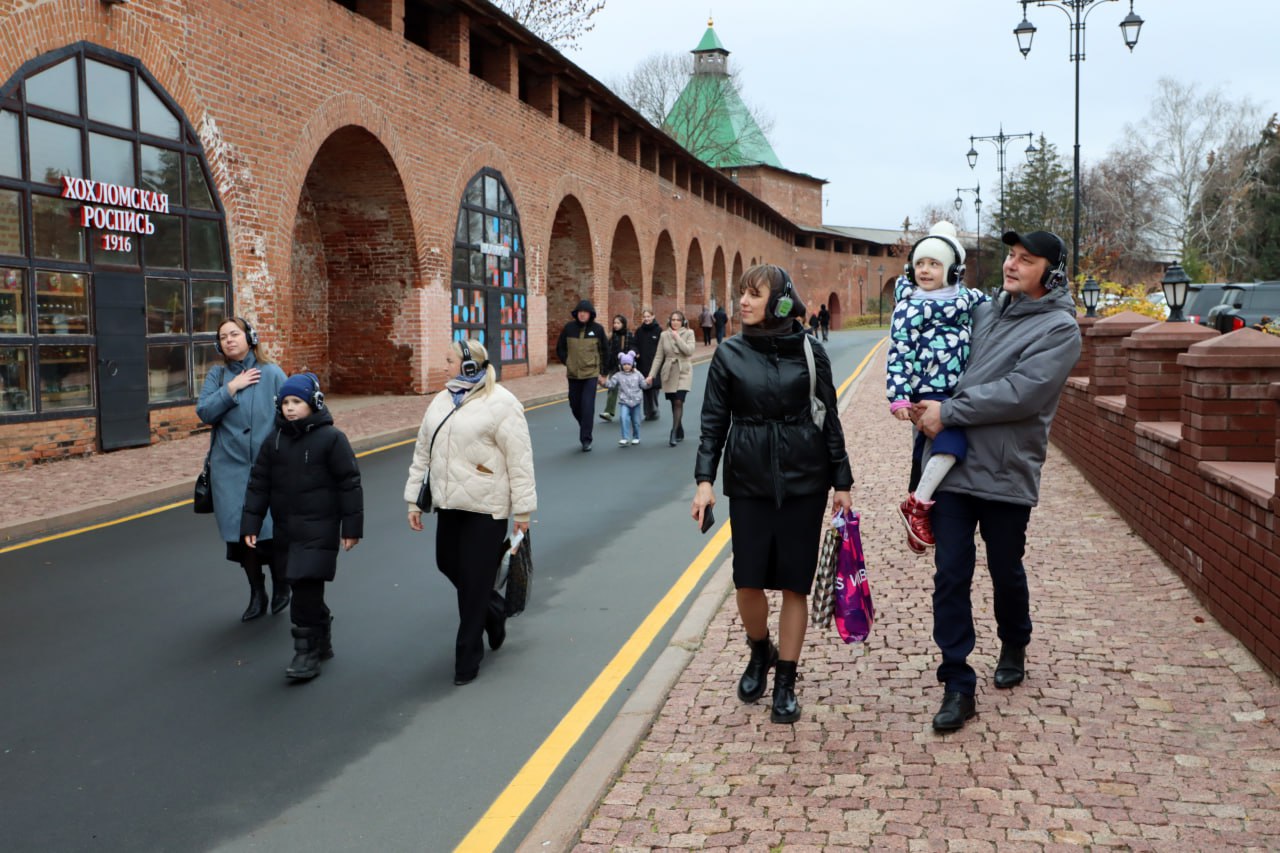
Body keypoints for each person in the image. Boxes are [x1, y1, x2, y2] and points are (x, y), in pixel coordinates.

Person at [912, 230, 1081, 733]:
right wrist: (917, 396)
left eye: (1026, 260)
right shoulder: (984, 311)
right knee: (950, 574)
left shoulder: (1060, 330)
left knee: (1005, 567)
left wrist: (949, 412)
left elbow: (1021, 393)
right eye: (1011, 256)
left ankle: (1014, 640)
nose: (1011, 265)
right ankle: (957, 683)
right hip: (955, 465)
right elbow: (941, 353)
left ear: (1051, 273)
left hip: (1007, 470)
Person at [692, 264, 853, 724]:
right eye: (741, 293)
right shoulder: (729, 353)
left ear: (780, 302)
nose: (743, 302)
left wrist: (842, 482)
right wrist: (704, 480)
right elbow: (712, 423)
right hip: (749, 480)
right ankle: (760, 648)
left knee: (795, 584)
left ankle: (786, 679)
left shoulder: (811, 351)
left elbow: (828, 415)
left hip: (806, 479)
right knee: (748, 580)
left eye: (754, 294)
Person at [404, 339, 536, 686]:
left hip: (487, 506)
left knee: (475, 581)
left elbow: (520, 461)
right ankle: (494, 611)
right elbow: (422, 452)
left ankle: (467, 657)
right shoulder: (441, 400)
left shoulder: (502, 403)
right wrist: (414, 500)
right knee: (447, 562)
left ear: (469, 365)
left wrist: (523, 511)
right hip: (449, 503)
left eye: (449, 360)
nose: (444, 365)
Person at [241, 373, 363, 681]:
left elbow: (349, 484)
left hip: (320, 528)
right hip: (286, 529)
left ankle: (305, 654)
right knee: (300, 585)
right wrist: (251, 523)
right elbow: (259, 484)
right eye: (285, 403)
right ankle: (321, 636)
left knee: (305, 588)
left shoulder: (332, 439)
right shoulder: (274, 441)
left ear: (314, 403)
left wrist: (351, 528)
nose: (290, 408)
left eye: (297, 401)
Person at [886, 221, 987, 555]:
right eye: (920, 264)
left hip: (956, 390)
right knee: (952, 443)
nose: (925, 270)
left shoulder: (966, 299)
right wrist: (899, 396)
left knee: (923, 454)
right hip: (927, 389)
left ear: (953, 271)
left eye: (934, 264)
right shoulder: (910, 306)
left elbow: (997, 305)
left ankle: (917, 522)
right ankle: (917, 504)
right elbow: (899, 352)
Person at [196, 317, 289, 622]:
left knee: (270, 531)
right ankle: (256, 592)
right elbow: (205, 412)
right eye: (223, 337)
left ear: (250, 337)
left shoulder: (271, 372)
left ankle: (281, 584)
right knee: (240, 534)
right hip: (229, 471)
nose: (229, 340)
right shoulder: (218, 375)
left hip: (267, 468)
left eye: (234, 334)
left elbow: (291, 412)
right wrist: (232, 388)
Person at [555, 299, 609, 451]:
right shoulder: (569, 328)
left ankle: (586, 439)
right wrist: (568, 362)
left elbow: (605, 351)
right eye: (580, 312)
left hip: (591, 374)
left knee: (587, 406)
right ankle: (585, 424)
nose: (582, 315)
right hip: (573, 374)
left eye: (585, 312)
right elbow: (560, 348)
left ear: (590, 314)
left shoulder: (598, 329)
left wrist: (603, 373)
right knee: (574, 404)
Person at [646, 310, 696, 446]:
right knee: (674, 402)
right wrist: (651, 375)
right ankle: (679, 428)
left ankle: (673, 432)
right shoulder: (664, 335)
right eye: (673, 320)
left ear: (683, 322)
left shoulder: (689, 333)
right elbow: (658, 356)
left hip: (683, 370)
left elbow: (689, 351)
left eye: (678, 320)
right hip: (669, 371)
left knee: (679, 400)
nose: (675, 322)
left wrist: (677, 338)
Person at [599, 314, 635, 423]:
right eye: (614, 323)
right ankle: (609, 412)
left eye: (618, 323)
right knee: (612, 388)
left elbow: (632, 349)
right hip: (613, 367)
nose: (615, 325)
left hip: (625, 367)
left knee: (627, 390)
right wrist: (604, 369)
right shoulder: (611, 336)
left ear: (623, 324)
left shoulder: (628, 335)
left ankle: (631, 411)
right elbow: (606, 351)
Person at [605, 350, 646, 446]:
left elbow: (644, 385)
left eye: (628, 364)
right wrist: (603, 382)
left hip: (636, 402)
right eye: (624, 364)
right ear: (620, 365)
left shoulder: (638, 374)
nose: (626, 366)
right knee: (623, 418)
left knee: (636, 421)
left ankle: (636, 437)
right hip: (624, 402)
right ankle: (625, 438)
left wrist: (648, 382)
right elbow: (611, 384)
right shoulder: (618, 375)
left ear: (633, 364)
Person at [634, 307, 663, 421]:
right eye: (644, 317)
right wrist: (636, 352)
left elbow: (663, 347)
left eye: (648, 316)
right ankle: (647, 412)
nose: (646, 319)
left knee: (654, 387)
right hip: (642, 364)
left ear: (653, 316)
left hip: (655, 364)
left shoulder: (659, 330)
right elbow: (634, 344)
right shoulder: (639, 331)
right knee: (645, 388)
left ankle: (654, 409)